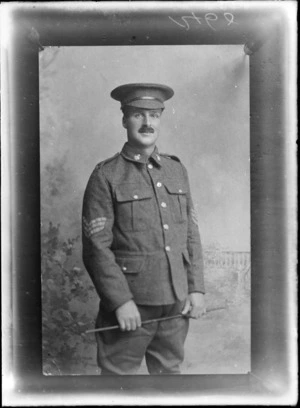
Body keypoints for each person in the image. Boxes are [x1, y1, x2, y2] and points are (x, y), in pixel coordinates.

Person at [82, 83, 206, 375]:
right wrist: (120, 302)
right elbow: (96, 247)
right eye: (138, 114)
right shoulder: (106, 175)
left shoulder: (176, 170)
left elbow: (190, 233)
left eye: (154, 115)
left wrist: (196, 288)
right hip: (132, 304)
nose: (148, 123)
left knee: (169, 378)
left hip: (176, 303)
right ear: (124, 119)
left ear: (161, 118)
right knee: (118, 380)